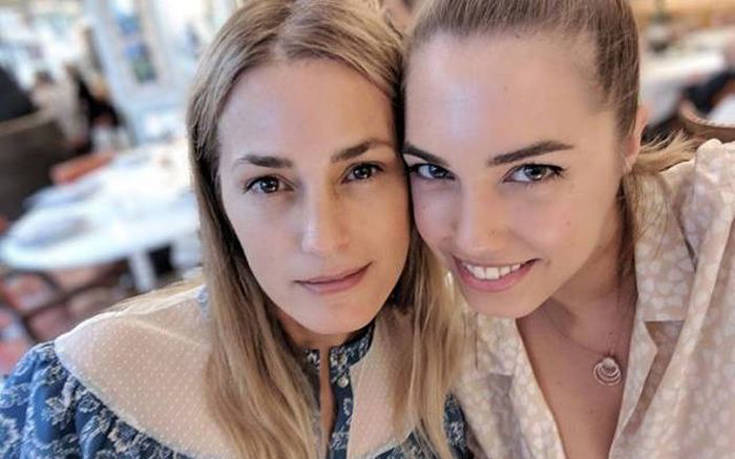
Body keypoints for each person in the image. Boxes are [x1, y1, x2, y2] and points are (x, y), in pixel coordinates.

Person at [0, 1, 466, 457]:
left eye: (361, 171)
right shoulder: (86, 395)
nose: (322, 239)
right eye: (268, 183)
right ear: (217, 197)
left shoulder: (460, 367)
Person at [401, 0, 735, 457]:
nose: (473, 239)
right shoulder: (435, 345)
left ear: (629, 139)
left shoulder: (721, 234)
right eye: (433, 171)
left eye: (532, 172)